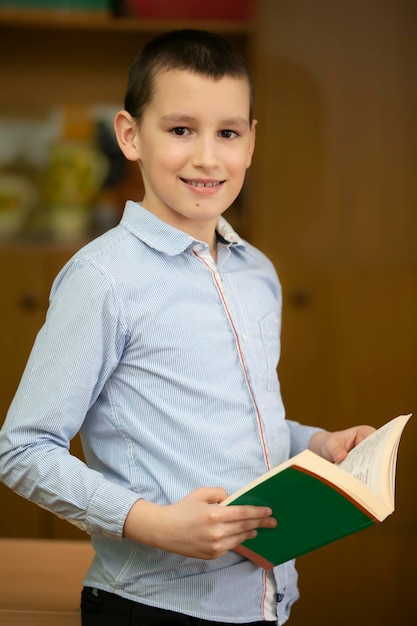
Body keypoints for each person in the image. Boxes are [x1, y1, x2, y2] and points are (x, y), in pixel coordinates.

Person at [0, 29, 374, 625]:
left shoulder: (258, 273)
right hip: (151, 607)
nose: (207, 157)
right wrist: (155, 523)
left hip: (267, 602)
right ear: (130, 136)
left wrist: (316, 445)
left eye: (227, 132)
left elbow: (230, 416)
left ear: (251, 143)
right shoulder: (103, 278)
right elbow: (23, 451)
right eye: (180, 130)